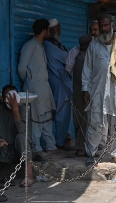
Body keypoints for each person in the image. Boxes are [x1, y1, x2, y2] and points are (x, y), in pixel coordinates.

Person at [82, 14, 116, 165]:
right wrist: (85, 89)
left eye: (106, 25)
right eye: (101, 26)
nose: (104, 29)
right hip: (98, 91)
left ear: (112, 26)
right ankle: (91, 153)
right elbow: (87, 69)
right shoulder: (94, 46)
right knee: (95, 123)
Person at [0, 85, 35, 187]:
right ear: (3, 99)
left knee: (21, 137)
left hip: (18, 150)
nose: (11, 99)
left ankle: (29, 175)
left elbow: (22, 131)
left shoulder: (23, 109)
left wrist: (15, 109)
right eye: (8, 97)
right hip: (2, 150)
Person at [18, 18, 57, 160]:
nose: (49, 32)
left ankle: (51, 146)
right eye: (48, 29)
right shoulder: (30, 46)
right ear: (44, 31)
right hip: (34, 88)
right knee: (35, 118)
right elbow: (21, 68)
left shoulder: (41, 45)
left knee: (46, 116)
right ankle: (37, 148)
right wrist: (30, 81)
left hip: (44, 88)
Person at [44, 18, 73, 150]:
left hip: (62, 81)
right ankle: (60, 141)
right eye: (58, 29)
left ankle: (63, 137)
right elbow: (67, 58)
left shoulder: (54, 44)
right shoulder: (49, 46)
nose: (60, 32)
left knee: (64, 111)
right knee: (62, 112)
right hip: (58, 82)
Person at [70, 35, 93, 157]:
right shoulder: (84, 59)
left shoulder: (79, 57)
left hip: (78, 92)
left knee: (80, 120)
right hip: (84, 93)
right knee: (83, 121)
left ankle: (81, 146)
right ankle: (81, 147)